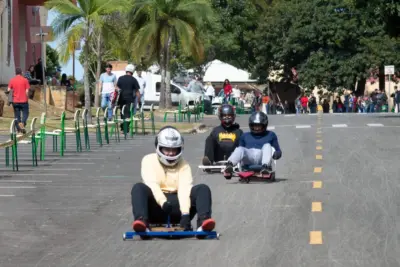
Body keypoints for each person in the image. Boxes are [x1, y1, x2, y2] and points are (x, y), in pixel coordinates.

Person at [131, 126, 216, 233]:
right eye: (167, 149)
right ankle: (142, 222)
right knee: (138, 188)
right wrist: (163, 202)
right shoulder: (148, 160)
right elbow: (152, 184)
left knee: (202, 188)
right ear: (159, 147)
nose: (171, 153)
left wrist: (185, 214)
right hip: (157, 206)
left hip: (178, 208)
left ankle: (203, 223)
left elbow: (185, 189)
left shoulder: (184, 165)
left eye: (174, 150)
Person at [223, 111, 282, 178]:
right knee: (240, 149)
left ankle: (265, 168)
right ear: (251, 125)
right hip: (249, 157)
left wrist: (276, 154)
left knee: (267, 145)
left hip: (262, 156)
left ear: (264, 125)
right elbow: (240, 152)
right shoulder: (244, 136)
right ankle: (229, 165)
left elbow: (278, 150)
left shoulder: (271, 135)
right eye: (255, 125)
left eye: (259, 125)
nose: (257, 128)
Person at [116, 64, 140, 131]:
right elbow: (137, 91)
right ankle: (126, 128)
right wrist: (139, 100)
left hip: (121, 98)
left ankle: (123, 127)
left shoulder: (120, 78)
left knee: (122, 112)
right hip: (130, 99)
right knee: (128, 114)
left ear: (126, 70)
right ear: (132, 71)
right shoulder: (134, 79)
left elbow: (117, 87)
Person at [7, 68, 30, 134]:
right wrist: (26, 97)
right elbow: (27, 91)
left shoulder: (12, 80)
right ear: (21, 73)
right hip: (24, 100)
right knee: (26, 113)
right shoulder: (25, 80)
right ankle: (22, 123)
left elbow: (8, 90)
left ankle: (19, 129)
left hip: (15, 101)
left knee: (17, 115)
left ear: (16, 73)